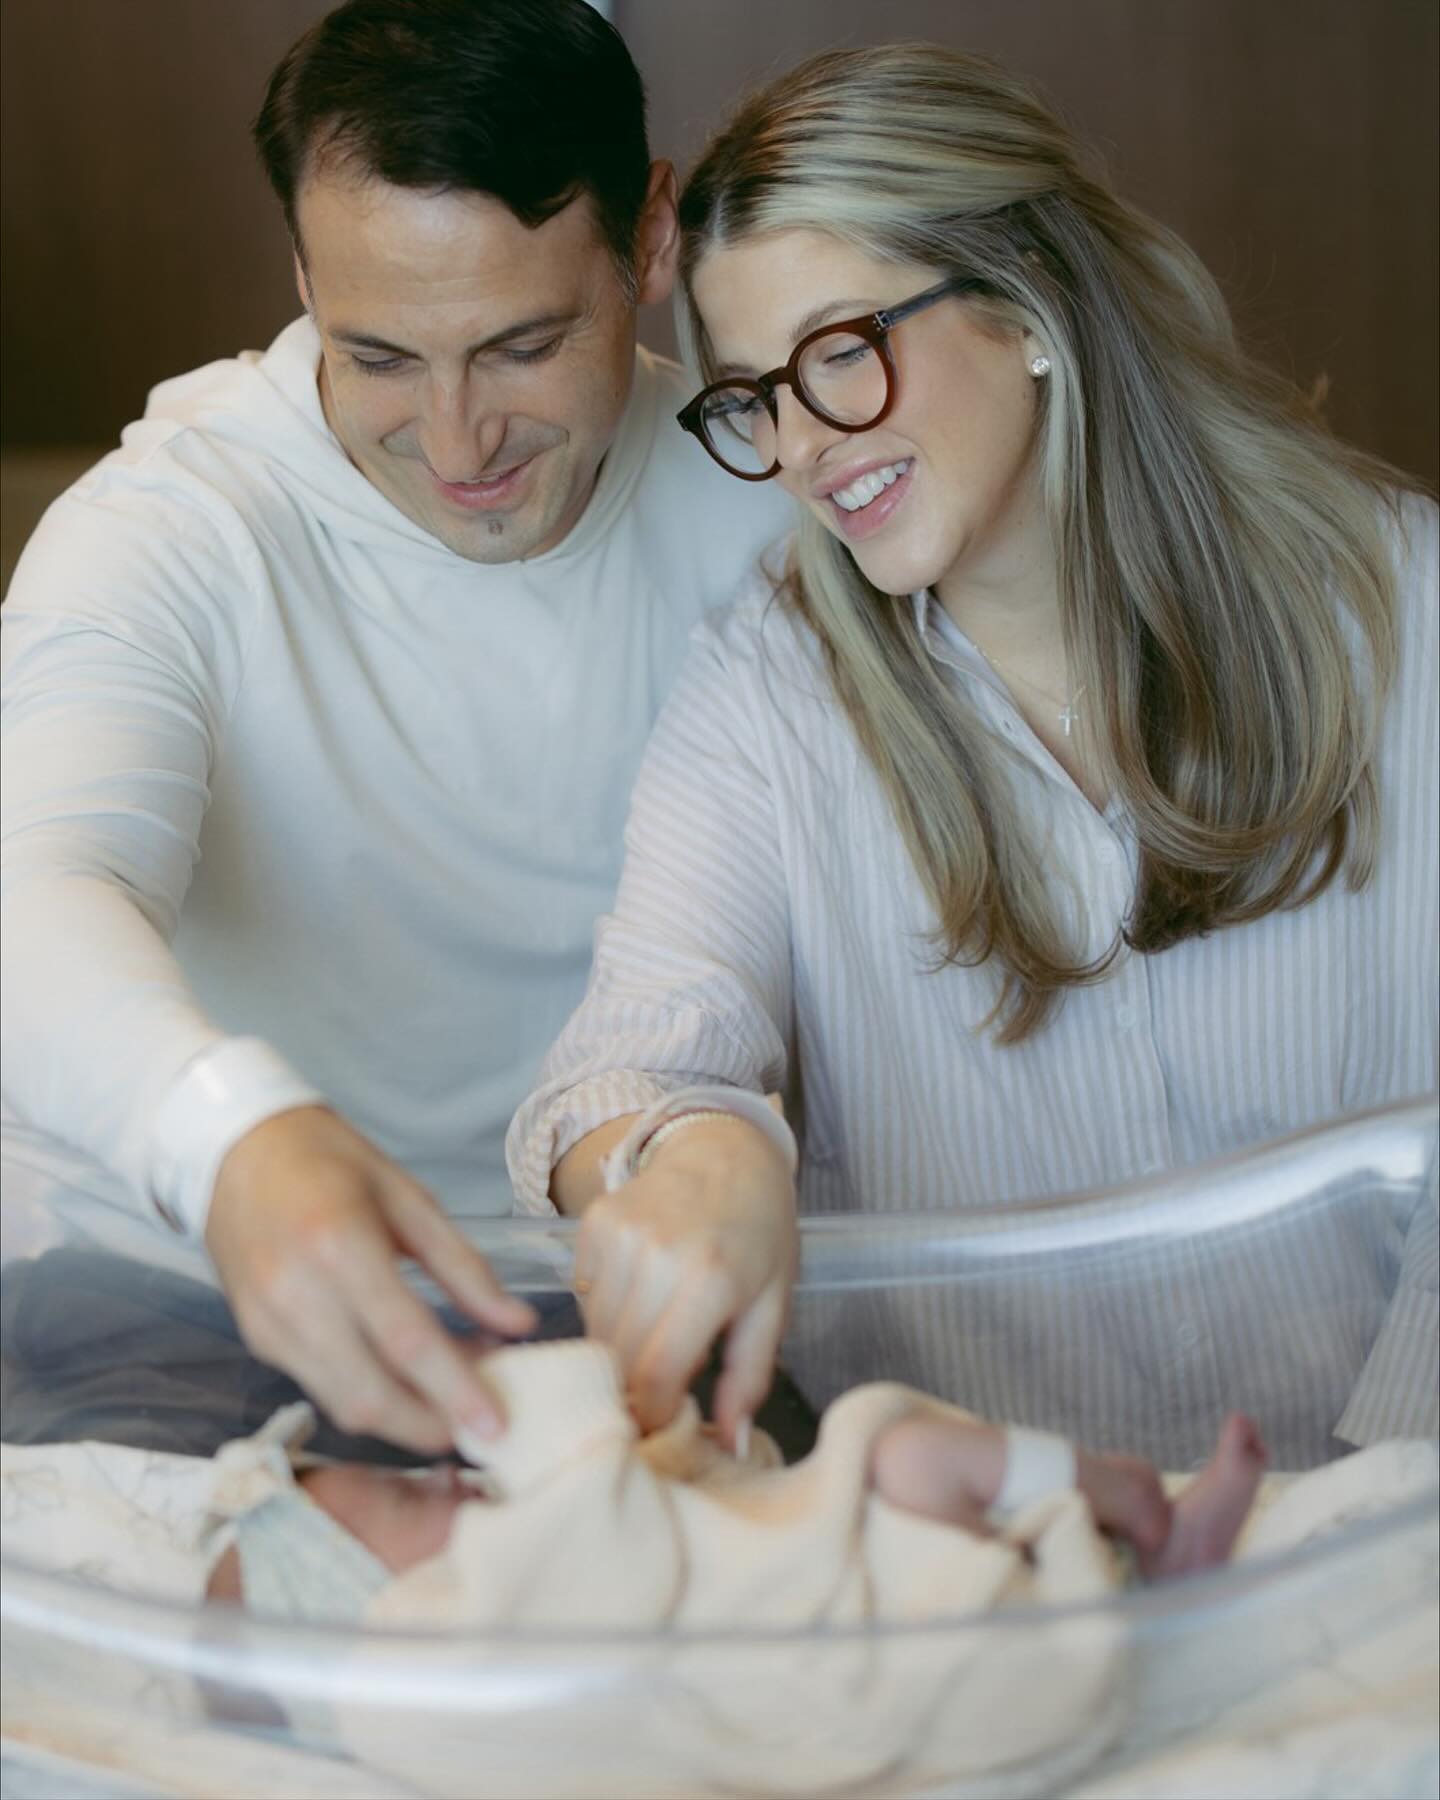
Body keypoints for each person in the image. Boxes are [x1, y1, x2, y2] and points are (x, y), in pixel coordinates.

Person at [508, 45, 1438, 1459]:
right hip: (991, 1572)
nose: (809, 446)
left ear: (1028, 307)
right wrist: (699, 1155)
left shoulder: (1401, 613)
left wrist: (1374, 1513)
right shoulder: (770, 695)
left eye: (842, 352)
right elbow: (621, 1062)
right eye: (756, 395)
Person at [0, 0, 790, 1457]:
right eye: (375, 356)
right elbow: (34, 894)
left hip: (618, 1283)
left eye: (521, 345)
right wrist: (229, 1134)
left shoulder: (774, 504)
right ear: (304, 272)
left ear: (652, 239)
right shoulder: (165, 531)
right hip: (181, 1278)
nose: (454, 442)